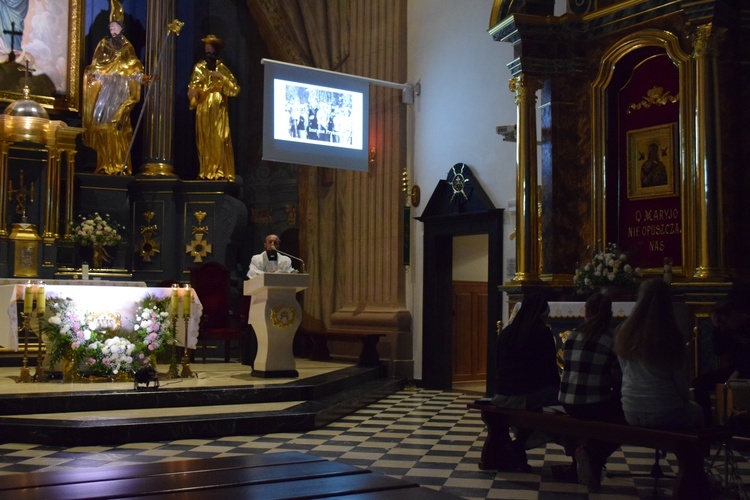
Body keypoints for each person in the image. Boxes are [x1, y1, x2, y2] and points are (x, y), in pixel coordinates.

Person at [615, 279, 704, 429]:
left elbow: (624, 370)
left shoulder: (625, 331)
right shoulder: (670, 334)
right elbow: (680, 381)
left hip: (631, 409)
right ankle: (691, 451)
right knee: (697, 411)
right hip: (665, 411)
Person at [558, 292, 623, 490]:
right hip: (593, 404)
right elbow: (617, 378)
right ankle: (593, 454)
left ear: (586, 311)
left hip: (568, 402)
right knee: (625, 420)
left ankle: (583, 458)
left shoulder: (573, 335)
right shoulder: (611, 339)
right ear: (609, 314)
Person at [489, 293, 560, 471]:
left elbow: (498, 365)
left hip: (501, 393)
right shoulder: (542, 332)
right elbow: (548, 369)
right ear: (542, 312)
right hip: (523, 394)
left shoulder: (506, 332)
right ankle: (520, 444)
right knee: (556, 401)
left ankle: (519, 444)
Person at [82, 0, 151, 175]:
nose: (112, 30)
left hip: (120, 92)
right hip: (106, 91)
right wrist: (93, 75)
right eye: (110, 27)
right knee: (102, 125)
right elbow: (98, 66)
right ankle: (105, 163)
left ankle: (119, 164)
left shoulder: (127, 48)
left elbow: (133, 70)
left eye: (115, 27)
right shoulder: (104, 46)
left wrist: (142, 79)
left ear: (121, 27)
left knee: (116, 126)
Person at [188, 34, 240, 181]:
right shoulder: (199, 68)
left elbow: (235, 89)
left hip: (218, 109)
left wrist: (221, 78)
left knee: (219, 138)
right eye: (206, 50)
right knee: (205, 139)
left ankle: (220, 170)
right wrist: (193, 93)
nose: (208, 53)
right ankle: (206, 170)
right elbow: (194, 86)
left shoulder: (222, 68)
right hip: (204, 108)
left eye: (211, 50)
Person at [692, 299, 750, 426]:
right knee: (700, 383)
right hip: (734, 370)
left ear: (734, 314)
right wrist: (717, 328)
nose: (725, 326)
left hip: (745, 370)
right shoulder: (728, 328)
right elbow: (719, 350)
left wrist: (738, 372)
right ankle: (707, 425)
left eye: (724, 321)